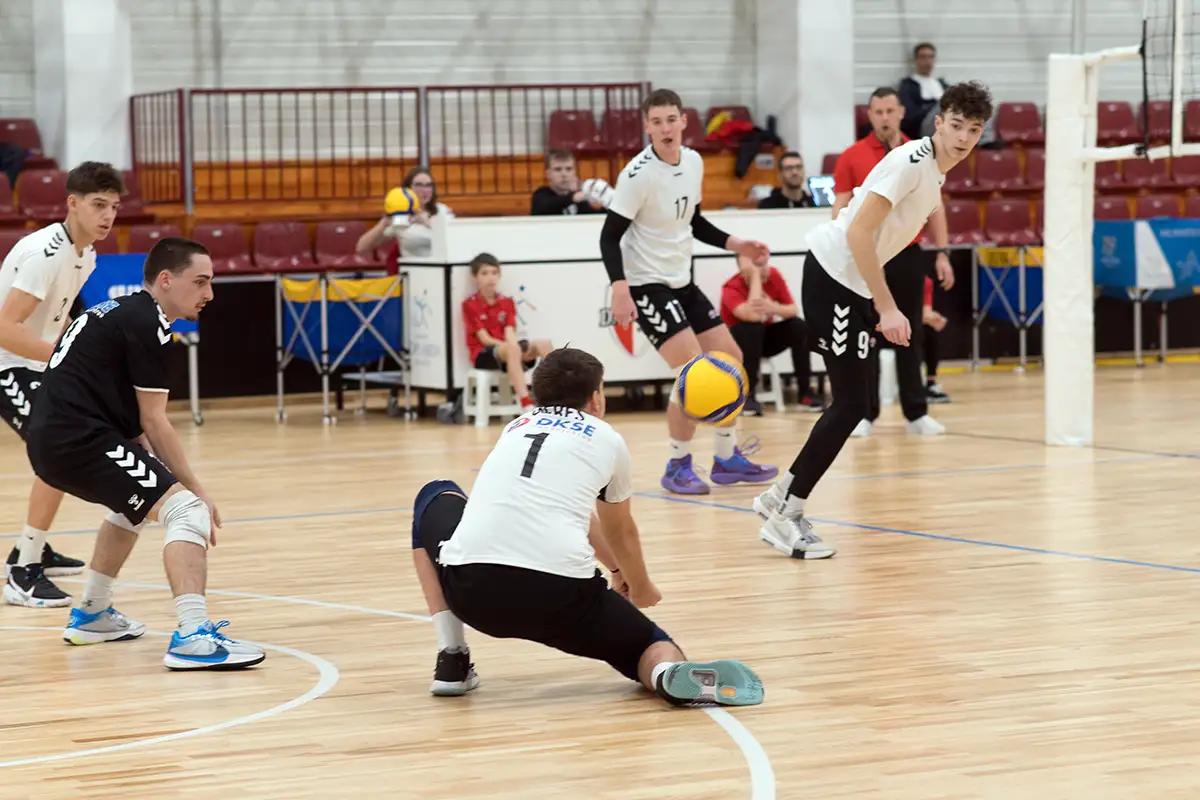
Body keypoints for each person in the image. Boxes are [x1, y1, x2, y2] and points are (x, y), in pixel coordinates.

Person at [410, 346, 764, 706]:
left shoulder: (515, 427)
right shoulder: (606, 438)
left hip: (475, 592)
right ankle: (665, 673)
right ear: (596, 399)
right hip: (561, 595)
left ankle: (452, 657)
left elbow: (583, 518)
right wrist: (640, 586)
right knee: (648, 645)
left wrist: (616, 569)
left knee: (434, 492)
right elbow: (620, 530)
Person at [752, 81, 994, 559]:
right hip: (834, 275)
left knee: (855, 401)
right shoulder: (910, 163)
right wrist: (885, 306)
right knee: (849, 405)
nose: (964, 137)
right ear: (938, 123)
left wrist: (874, 299)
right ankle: (785, 516)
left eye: (974, 129)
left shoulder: (934, 172)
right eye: (956, 126)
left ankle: (779, 497)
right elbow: (859, 232)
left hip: (851, 283)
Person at [26, 237, 264, 671]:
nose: (209, 294)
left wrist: (165, 480)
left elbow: (136, 421)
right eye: (200, 282)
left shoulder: (119, 312)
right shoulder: (147, 322)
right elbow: (155, 420)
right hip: (79, 439)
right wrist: (194, 491)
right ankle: (192, 636)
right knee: (187, 512)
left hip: (56, 438)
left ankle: (93, 614)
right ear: (166, 280)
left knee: (134, 504)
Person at [600, 88, 777, 495]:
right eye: (656, 122)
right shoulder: (637, 175)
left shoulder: (693, 161)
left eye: (671, 120)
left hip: (682, 280)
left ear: (683, 122)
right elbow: (609, 238)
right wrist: (620, 287)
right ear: (647, 127)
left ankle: (726, 459)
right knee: (692, 372)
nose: (665, 128)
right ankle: (677, 464)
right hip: (647, 284)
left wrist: (738, 244)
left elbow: (694, 222)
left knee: (731, 358)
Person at [2, 162, 126, 608]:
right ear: (72, 203)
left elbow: (57, 314)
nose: (108, 216)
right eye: (98, 205)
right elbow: (5, 328)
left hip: (34, 362)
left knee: (60, 448)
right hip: (6, 363)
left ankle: (32, 546)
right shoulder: (46, 253)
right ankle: (22, 571)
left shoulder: (84, 253)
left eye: (114, 207)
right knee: (55, 448)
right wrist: (62, 357)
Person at [832, 86, 953, 438]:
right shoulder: (851, 156)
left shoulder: (922, 153)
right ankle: (864, 413)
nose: (885, 118)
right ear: (870, 115)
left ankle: (916, 412)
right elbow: (841, 203)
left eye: (890, 111)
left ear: (901, 112)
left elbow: (936, 208)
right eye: (878, 112)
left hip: (907, 253)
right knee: (866, 333)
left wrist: (942, 252)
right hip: (867, 253)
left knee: (911, 331)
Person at [720, 252, 823, 415]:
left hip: (763, 341)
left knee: (798, 326)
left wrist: (773, 307)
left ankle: (805, 393)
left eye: (764, 264)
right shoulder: (731, 288)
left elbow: (792, 310)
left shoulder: (773, 276)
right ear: (744, 269)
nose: (764, 269)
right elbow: (752, 316)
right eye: (757, 266)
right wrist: (755, 279)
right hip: (738, 346)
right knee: (751, 328)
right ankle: (746, 396)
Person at [462, 252, 552, 410]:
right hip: (483, 354)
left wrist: (515, 346)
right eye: (484, 273)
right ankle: (525, 402)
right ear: (475, 277)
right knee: (512, 348)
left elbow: (509, 332)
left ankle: (556, 397)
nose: (491, 278)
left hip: (509, 351)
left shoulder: (506, 302)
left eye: (494, 273)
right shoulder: (470, 304)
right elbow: (484, 339)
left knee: (543, 344)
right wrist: (512, 347)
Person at [530, 149, 610, 215]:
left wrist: (604, 205)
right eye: (558, 169)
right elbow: (545, 207)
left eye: (569, 169)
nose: (564, 174)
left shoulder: (580, 199)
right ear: (548, 174)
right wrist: (573, 197)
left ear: (574, 172)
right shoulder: (541, 195)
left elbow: (593, 217)